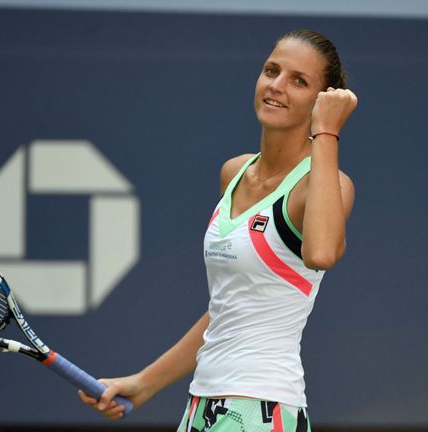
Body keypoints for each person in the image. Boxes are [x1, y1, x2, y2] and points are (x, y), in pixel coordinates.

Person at [79, 29, 357, 431]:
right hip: (202, 406)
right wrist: (144, 383)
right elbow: (227, 311)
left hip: (262, 409)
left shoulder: (323, 184)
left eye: (299, 81)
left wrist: (326, 132)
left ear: (322, 100)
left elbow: (322, 254)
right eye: (271, 71)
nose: (276, 86)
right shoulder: (235, 172)